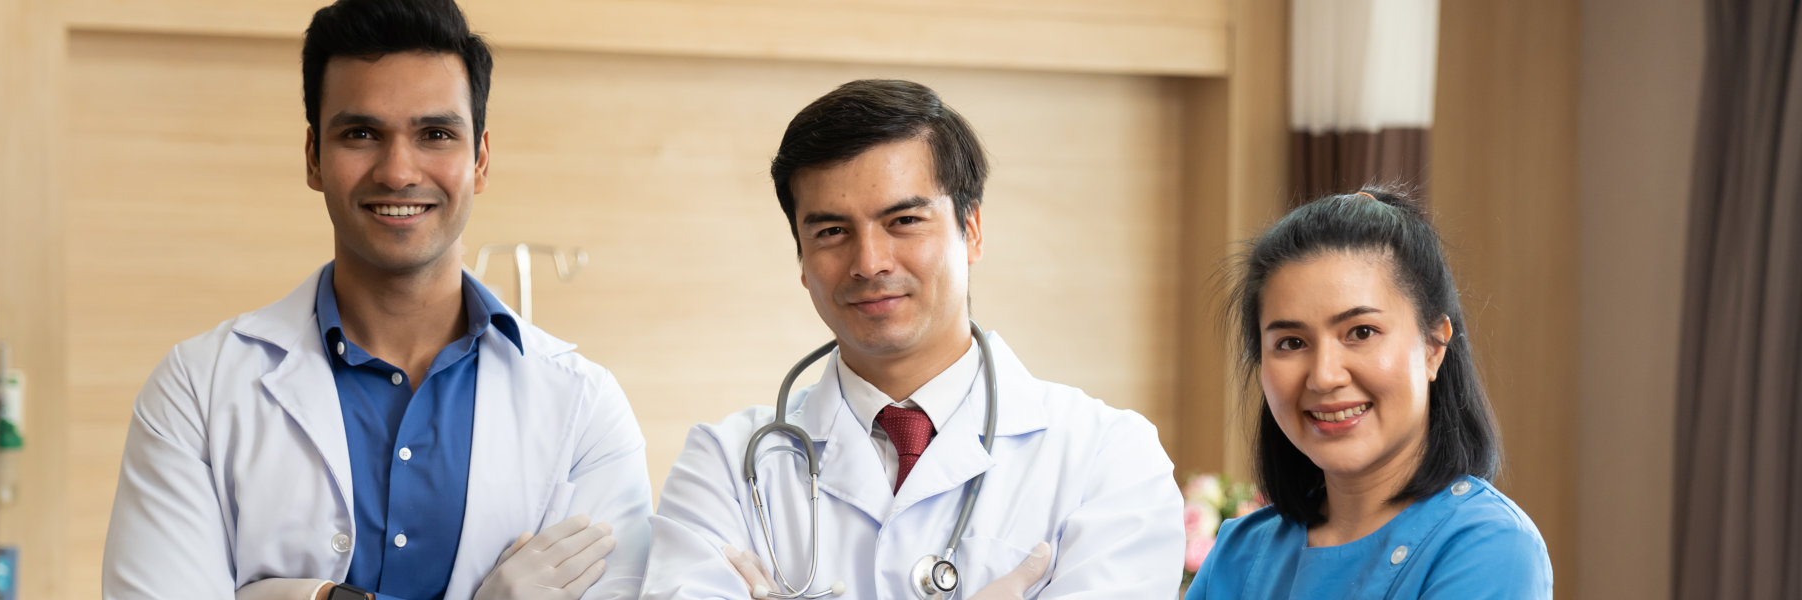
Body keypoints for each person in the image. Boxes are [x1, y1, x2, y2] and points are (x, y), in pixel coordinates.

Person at [100, 1, 652, 598]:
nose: (397, 171)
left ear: (481, 160)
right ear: (314, 156)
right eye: (361, 134)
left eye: (435, 134)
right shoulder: (195, 391)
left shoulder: (585, 409)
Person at [640, 79, 1186, 599]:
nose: (869, 263)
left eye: (903, 220)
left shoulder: (1107, 457)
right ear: (802, 260)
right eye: (831, 231)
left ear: (971, 229)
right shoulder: (727, 465)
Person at [1184, 188, 1552, 598]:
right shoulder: (1242, 551)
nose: (1323, 377)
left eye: (1361, 332)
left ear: (1433, 347)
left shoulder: (1490, 547)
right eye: (1291, 342)